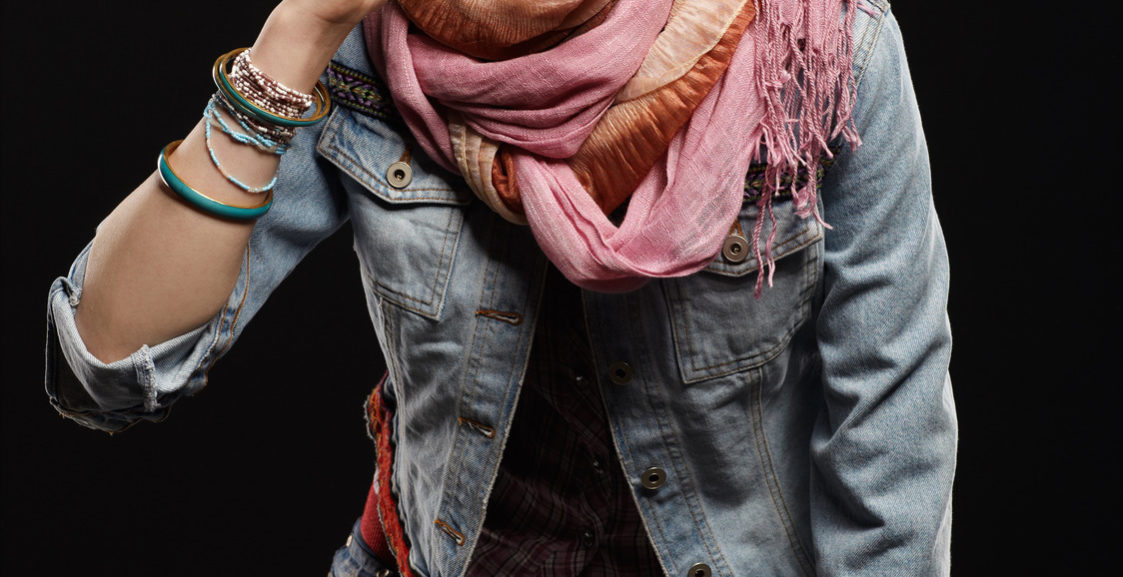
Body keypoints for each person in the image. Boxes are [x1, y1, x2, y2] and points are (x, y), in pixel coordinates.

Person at [44, 0, 957, 575]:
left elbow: (890, 437)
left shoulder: (821, 48)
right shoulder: (369, 55)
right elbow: (106, 368)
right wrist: (297, 35)